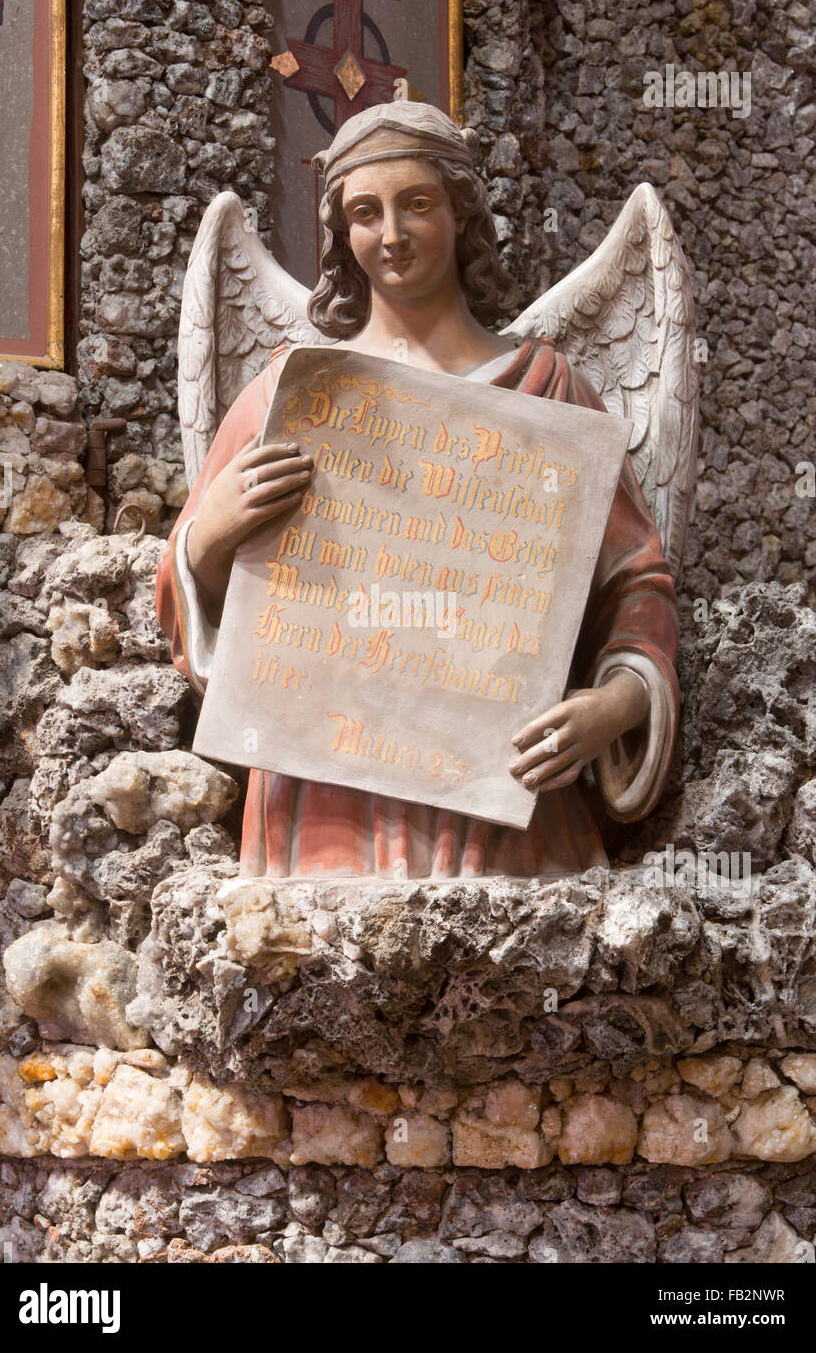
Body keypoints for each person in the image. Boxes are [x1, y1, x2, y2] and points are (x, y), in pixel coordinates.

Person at [156, 102, 679, 879]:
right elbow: (185, 595)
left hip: (499, 783)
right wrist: (206, 540)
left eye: (418, 204)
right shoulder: (291, 393)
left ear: (463, 215)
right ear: (343, 235)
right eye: (366, 213)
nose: (392, 234)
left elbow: (637, 582)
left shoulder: (546, 390)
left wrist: (618, 704)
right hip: (324, 788)